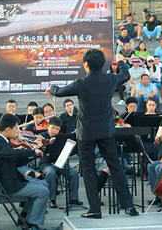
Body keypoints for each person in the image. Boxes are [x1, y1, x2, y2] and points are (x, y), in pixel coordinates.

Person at [46, 49, 139, 218]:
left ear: (86, 64)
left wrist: (51, 88)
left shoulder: (80, 82)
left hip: (86, 133)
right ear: (102, 63)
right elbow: (125, 75)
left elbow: (59, 91)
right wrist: (121, 61)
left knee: (88, 170)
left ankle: (94, 209)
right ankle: (129, 207)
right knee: (115, 167)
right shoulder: (110, 79)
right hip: (106, 131)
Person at [0, 113, 50, 229]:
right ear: (8, 129)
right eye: (16, 128)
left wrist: (33, 153)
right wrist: (33, 152)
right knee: (43, 192)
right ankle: (33, 224)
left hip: (8, 180)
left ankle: (24, 217)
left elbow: (14, 160)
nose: (18, 131)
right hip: (8, 186)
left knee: (43, 183)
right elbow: (12, 154)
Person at [39, 117, 83, 208]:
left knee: (74, 172)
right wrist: (44, 144)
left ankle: (73, 199)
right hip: (46, 163)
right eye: (52, 128)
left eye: (57, 129)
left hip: (61, 162)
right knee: (51, 172)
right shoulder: (42, 136)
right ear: (47, 126)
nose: (54, 131)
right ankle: (52, 199)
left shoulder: (62, 138)